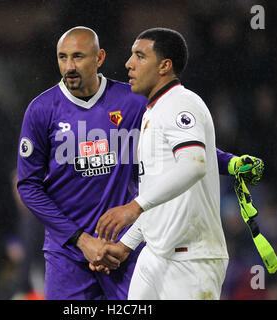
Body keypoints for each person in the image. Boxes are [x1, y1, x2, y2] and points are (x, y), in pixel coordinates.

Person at [17, 26, 262, 300]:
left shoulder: (134, 101)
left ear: (99, 58)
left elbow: (181, 148)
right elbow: (28, 186)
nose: (69, 66)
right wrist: (80, 239)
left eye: (78, 57)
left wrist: (229, 164)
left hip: (126, 248)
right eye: (62, 57)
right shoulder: (41, 111)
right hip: (68, 253)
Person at [93, 28, 231, 300]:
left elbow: (194, 165)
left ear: (164, 66)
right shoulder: (152, 112)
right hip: (156, 254)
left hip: (190, 261)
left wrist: (134, 207)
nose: (128, 64)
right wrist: (126, 245)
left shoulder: (181, 103)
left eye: (140, 56)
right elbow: (160, 195)